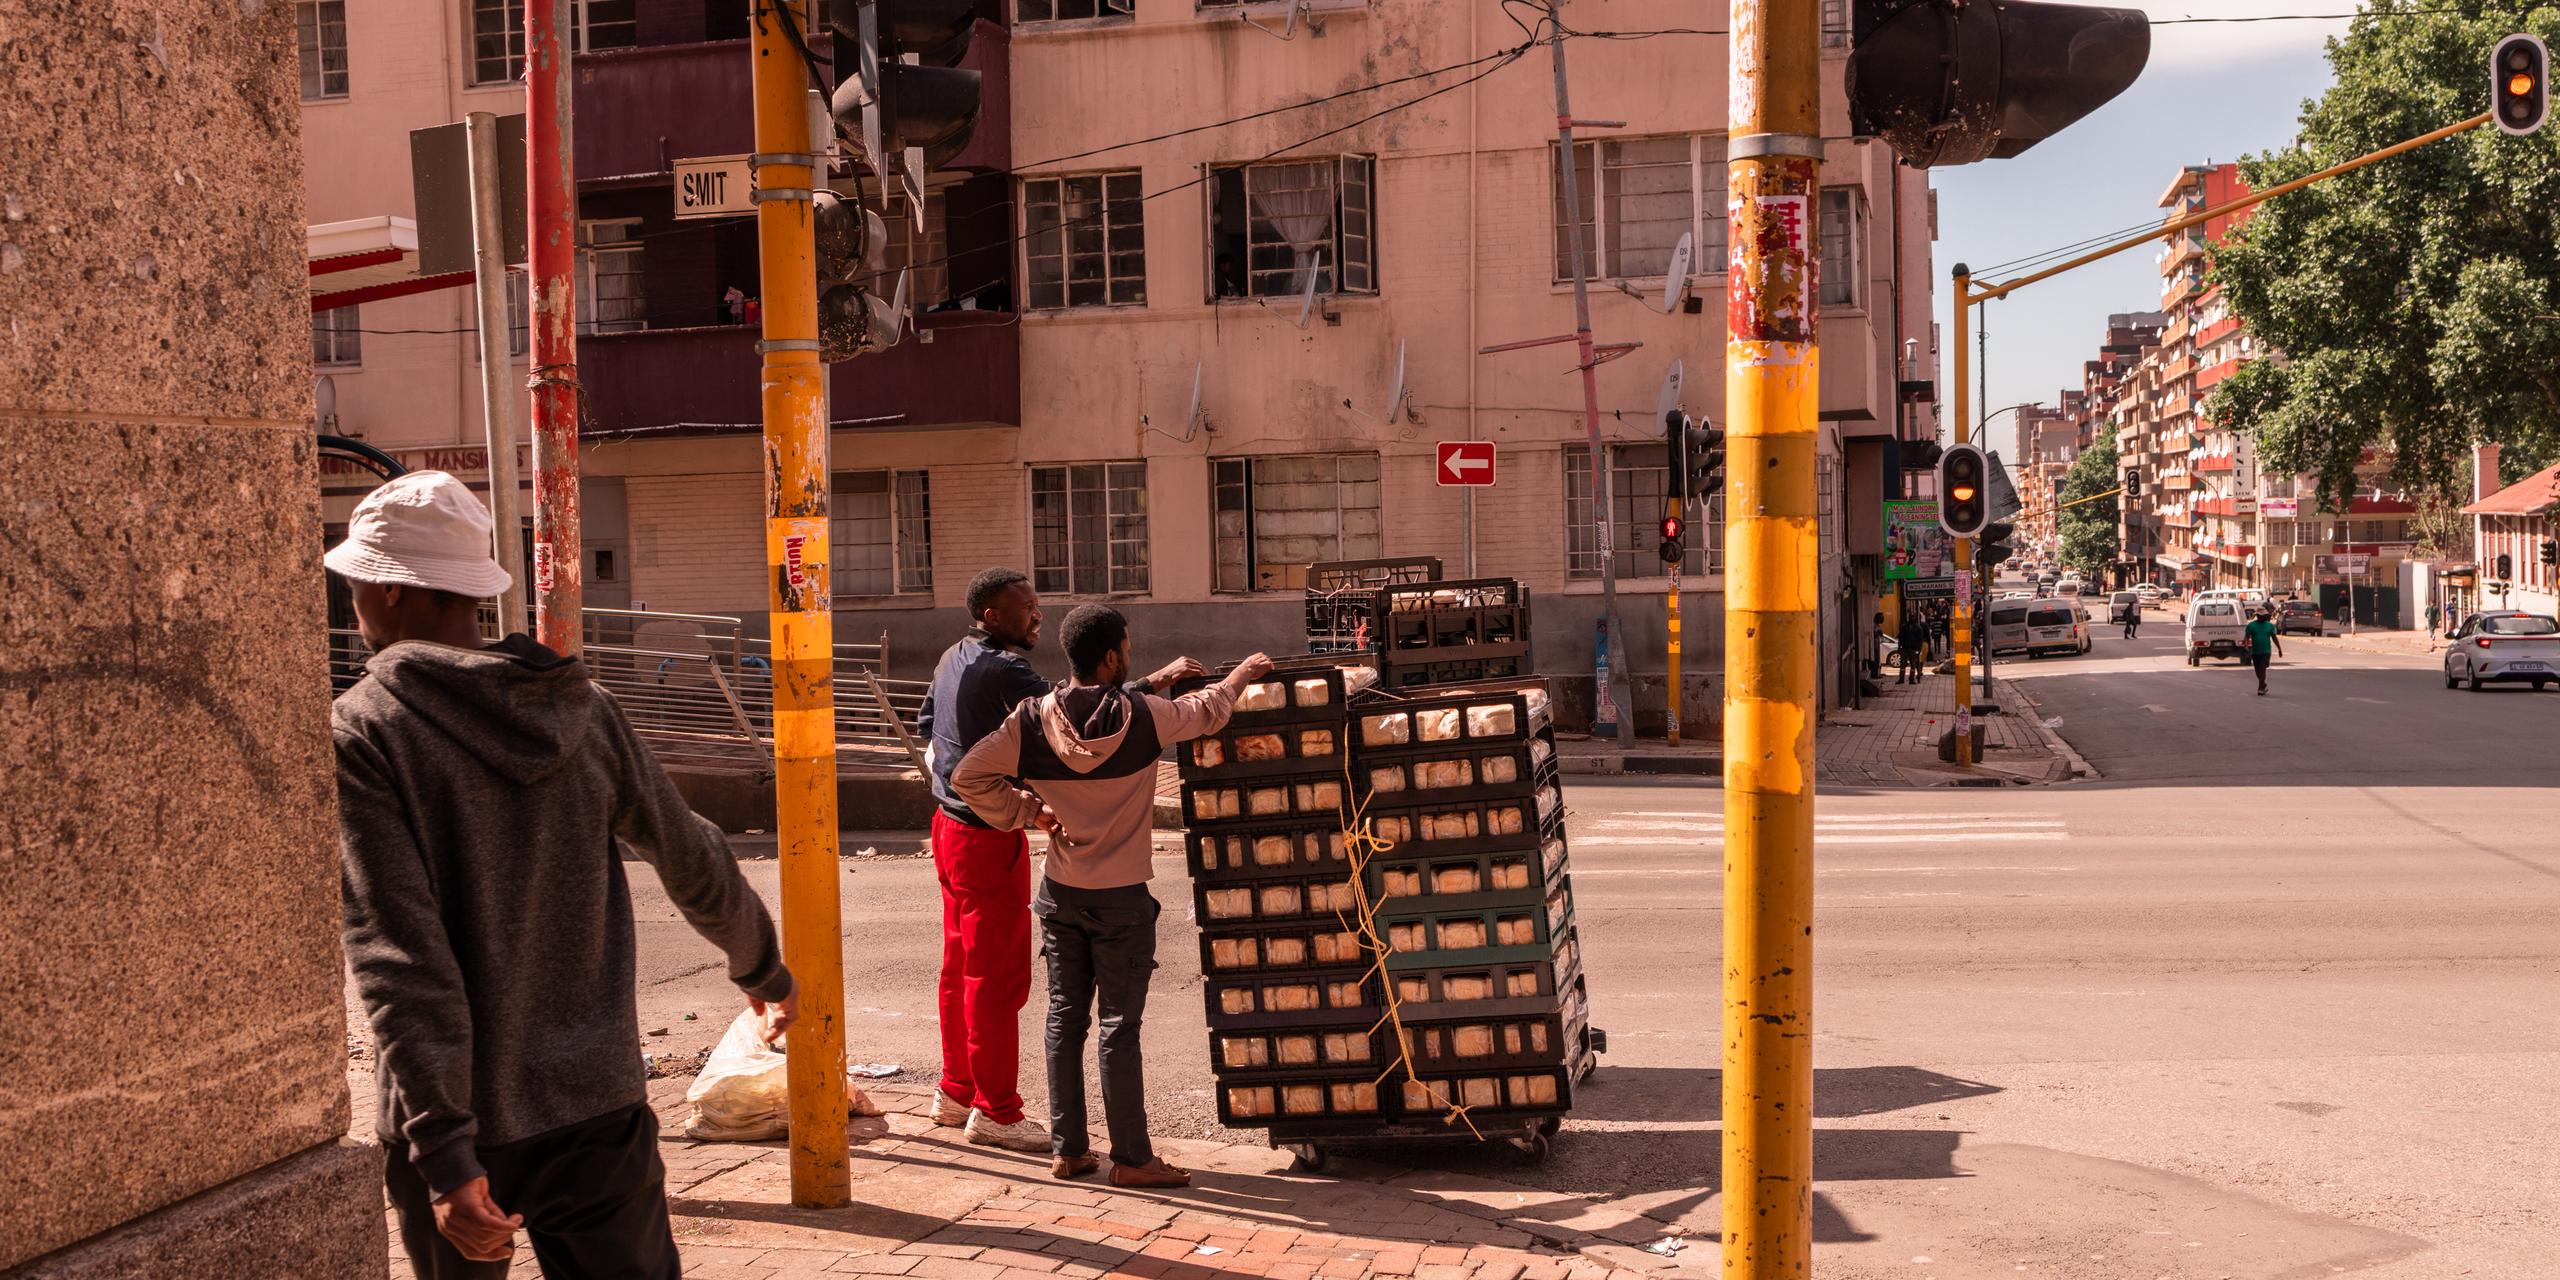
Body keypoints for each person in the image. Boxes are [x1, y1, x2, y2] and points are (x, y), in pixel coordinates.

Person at [329, 472, 796, 1279]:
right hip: (595, 1112)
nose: (353, 603)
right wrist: (762, 966)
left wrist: (442, 1151)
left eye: (356, 585)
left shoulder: (369, 729)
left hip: (458, 1120)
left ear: (395, 589)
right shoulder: (578, 708)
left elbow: (399, 956)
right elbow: (688, 849)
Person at [952, 606, 1270, 1189]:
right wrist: (1243, 673)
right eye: (1125, 648)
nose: (1128, 656)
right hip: (1122, 899)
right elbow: (1208, 711)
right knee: (1119, 1028)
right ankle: (1132, 1158)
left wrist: (1027, 812)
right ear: (1110, 658)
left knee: (1064, 1020)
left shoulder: (1029, 721)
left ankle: (1068, 1150)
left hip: (1060, 896)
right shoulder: (1144, 718)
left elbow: (967, 776)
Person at [915, 569, 1201, 1152]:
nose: (1036, 616)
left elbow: (929, 731)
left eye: (1038, 605)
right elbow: (1074, 720)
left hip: (947, 826)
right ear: (993, 615)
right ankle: (996, 1110)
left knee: (958, 969)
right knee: (998, 980)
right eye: (1026, 608)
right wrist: (1021, 806)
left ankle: (956, 1090)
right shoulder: (1006, 670)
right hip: (985, 836)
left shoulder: (953, 656)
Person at [2245, 604, 2285, 695]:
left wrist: (2279, 649)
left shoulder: (2270, 626)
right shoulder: (2251, 625)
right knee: (2257, 671)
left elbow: (2274, 638)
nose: (2263, 617)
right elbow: (2247, 636)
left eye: (2264, 616)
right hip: (2255, 651)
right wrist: (2246, 645)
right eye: (2261, 615)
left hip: (2266, 651)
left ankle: (2260, 688)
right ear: (2258, 616)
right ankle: (2263, 684)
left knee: (2262, 668)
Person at [1896, 607, 1930, 685]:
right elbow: (1900, 637)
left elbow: (1920, 640)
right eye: (1911, 617)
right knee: (1902, 665)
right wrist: (1899, 647)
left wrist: (1918, 649)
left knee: (1913, 665)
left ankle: (1912, 679)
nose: (1912, 618)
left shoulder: (1918, 628)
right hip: (1905, 648)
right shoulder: (1904, 627)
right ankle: (1901, 679)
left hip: (1913, 649)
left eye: (1913, 617)